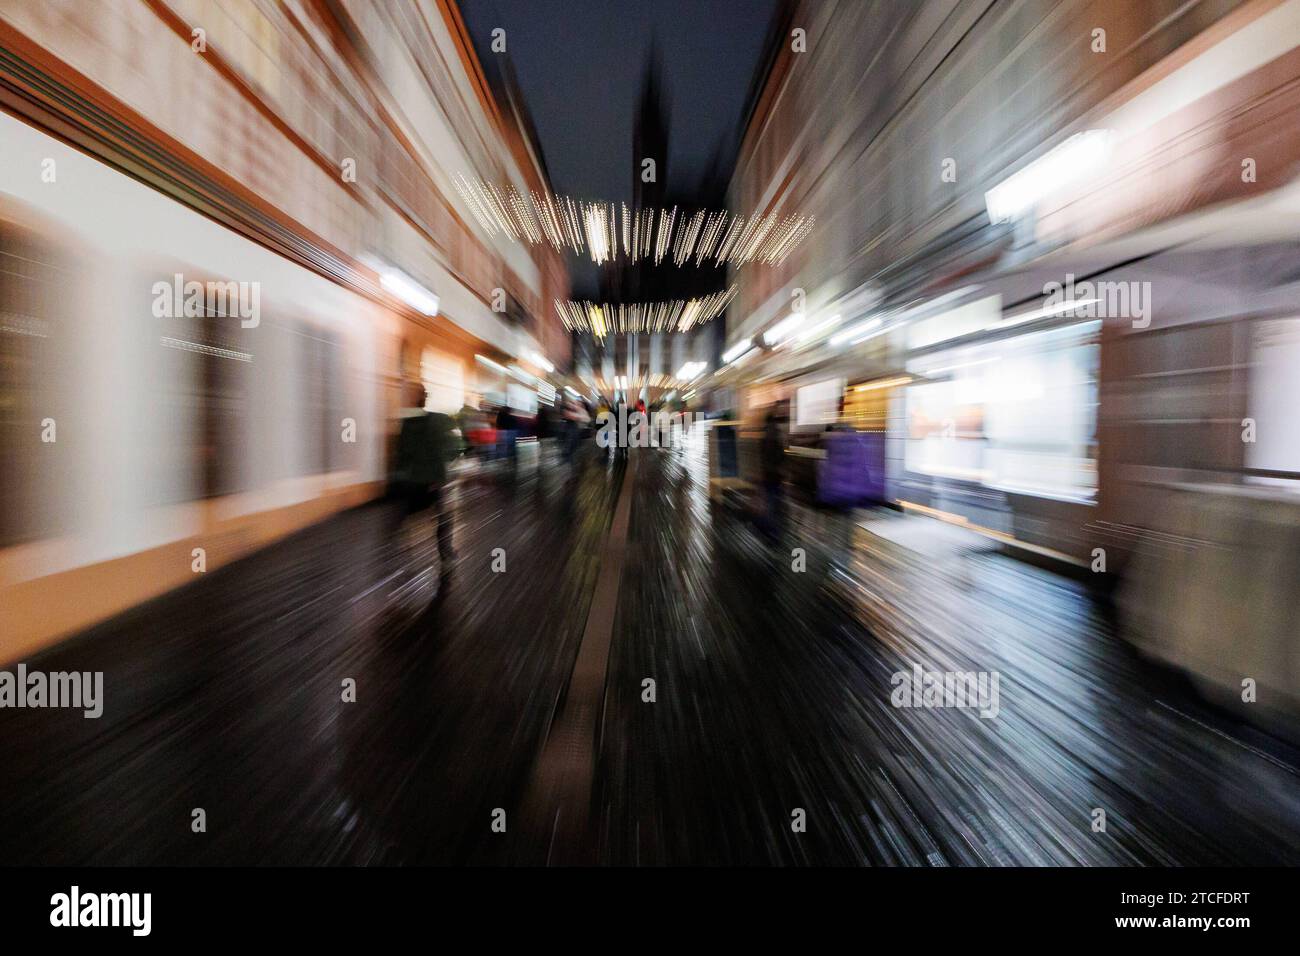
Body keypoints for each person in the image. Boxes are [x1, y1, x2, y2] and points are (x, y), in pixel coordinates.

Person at [392, 383, 457, 573]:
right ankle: (446, 551)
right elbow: (453, 445)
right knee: (444, 517)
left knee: (408, 515)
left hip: (414, 481)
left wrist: (399, 477)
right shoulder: (440, 420)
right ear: (426, 399)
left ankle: (400, 546)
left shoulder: (407, 424)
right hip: (434, 480)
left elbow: (402, 454)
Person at [759, 403, 787, 542]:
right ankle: (775, 531)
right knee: (774, 501)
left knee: (770, 501)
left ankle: (771, 529)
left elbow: (763, 454)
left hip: (768, 474)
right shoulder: (776, 433)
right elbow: (781, 454)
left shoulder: (765, 435)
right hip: (775, 474)